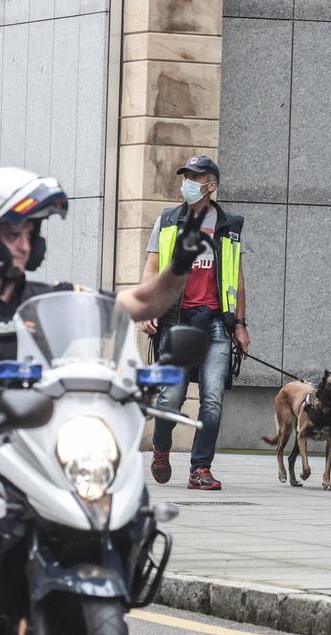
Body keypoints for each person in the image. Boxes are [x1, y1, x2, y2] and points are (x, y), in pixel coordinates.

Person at [0, 166, 205, 391]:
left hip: (50, 446)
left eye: (30, 235)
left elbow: (144, 303)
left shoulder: (53, 299)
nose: (25, 247)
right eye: (14, 236)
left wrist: (179, 265)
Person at [140, 155, 249, 491]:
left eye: (195, 176)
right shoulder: (169, 220)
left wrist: (241, 324)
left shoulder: (228, 226)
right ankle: (161, 449)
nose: (188, 182)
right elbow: (151, 269)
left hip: (216, 323)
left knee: (212, 398)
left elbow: (237, 278)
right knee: (170, 399)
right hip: (176, 321)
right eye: (186, 176)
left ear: (211, 185)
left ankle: (200, 469)